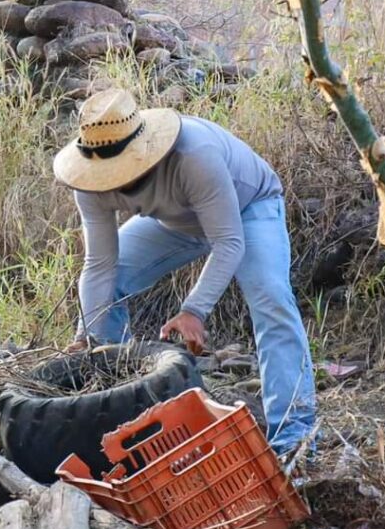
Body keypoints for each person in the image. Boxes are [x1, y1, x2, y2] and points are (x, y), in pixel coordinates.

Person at [52, 87, 317, 457]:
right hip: (176, 223)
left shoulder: (194, 155)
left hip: (248, 209)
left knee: (271, 299)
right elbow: (99, 264)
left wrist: (194, 309)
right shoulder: (89, 180)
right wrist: (87, 336)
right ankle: (125, 422)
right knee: (107, 292)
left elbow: (228, 242)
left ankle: (294, 439)